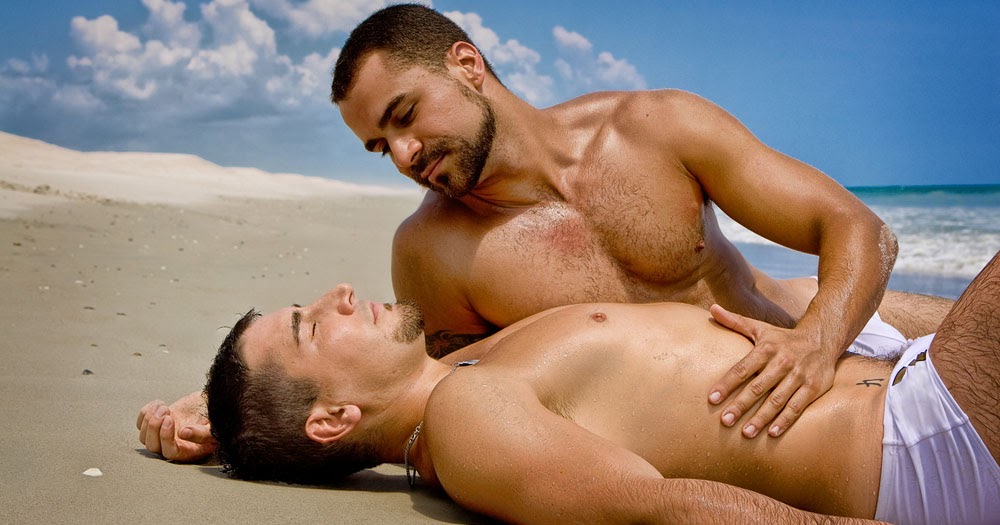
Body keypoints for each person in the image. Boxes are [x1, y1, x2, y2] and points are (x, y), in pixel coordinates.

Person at [329, 4, 953, 439]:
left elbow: (855, 227)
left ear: (467, 64)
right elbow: (452, 403)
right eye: (382, 148)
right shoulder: (431, 251)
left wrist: (816, 342)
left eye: (404, 115)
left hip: (830, 327)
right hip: (767, 428)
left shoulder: (652, 127)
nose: (404, 156)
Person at [188, 250, 1000, 524]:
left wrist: (211, 418)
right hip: (919, 442)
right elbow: (664, 508)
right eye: (309, 326)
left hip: (914, 381)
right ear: (333, 418)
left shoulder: (472, 367)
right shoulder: (464, 413)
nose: (335, 294)